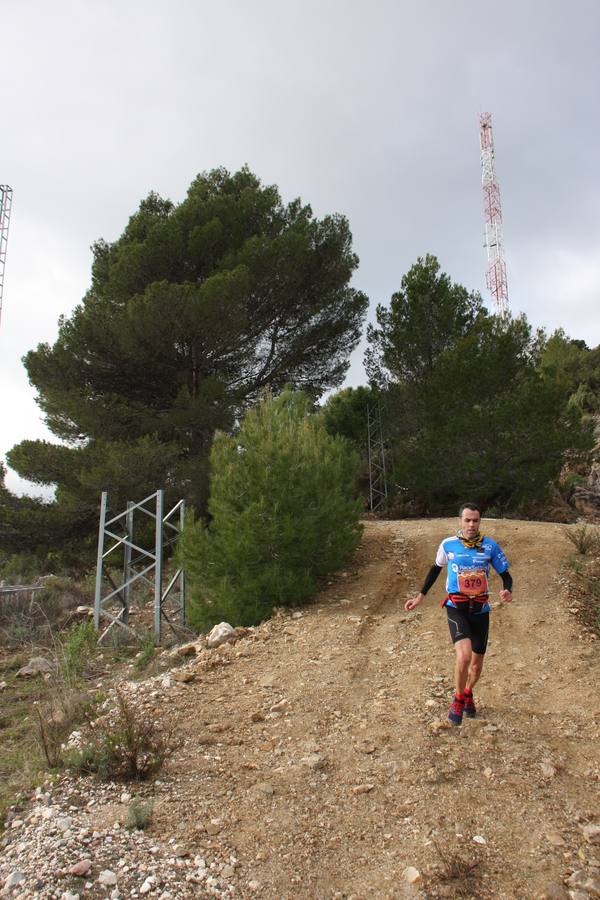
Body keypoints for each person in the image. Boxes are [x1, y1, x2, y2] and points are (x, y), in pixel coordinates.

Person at [405, 503, 513, 726]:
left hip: (481, 610)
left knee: (476, 666)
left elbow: (506, 575)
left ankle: (467, 692)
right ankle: (457, 699)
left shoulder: (490, 546)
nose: (471, 524)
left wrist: (507, 590)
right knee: (463, 657)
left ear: (480, 521)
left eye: (475, 520)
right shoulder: (448, 545)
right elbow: (435, 569)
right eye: (467, 520)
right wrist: (420, 596)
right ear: (460, 521)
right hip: (457, 607)